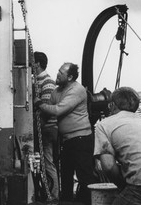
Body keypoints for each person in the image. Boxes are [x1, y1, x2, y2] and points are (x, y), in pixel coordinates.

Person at [35, 62, 95, 204]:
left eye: (61, 73)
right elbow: (47, 113)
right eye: (58, 71)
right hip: (67, 141)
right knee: (66, 176)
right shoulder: (56, 92)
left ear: (70, 77)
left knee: (84, 176)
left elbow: (57, 110)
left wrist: (38, 104)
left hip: (82, 139)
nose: (57, 74)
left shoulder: (77, 90)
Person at [33, 51, 59, 201]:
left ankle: (54, 196)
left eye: (32, 62)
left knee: (48, 163)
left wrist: (38, 128)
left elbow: (47, 109)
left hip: (47, 128)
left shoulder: (47, 82)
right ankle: (48, 193)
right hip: (43, 128)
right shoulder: (38, 81)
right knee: (44, 163)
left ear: (37, 64)